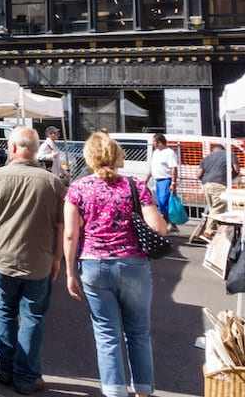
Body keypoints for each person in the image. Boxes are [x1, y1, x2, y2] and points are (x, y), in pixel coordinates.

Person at [64, 131, 165, 397]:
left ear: (89, 157)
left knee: (107, 334)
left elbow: (71, 234)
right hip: (133, 264)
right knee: (138, 332)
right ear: (117, 155)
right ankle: (143, 390)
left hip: (94, 264)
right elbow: (159, 229)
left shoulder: (78, 188)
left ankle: (114, 392)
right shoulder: (135, 186)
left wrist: (70, 272)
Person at [0, 126, 67, 395]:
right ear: (35, 150)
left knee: (5, 310)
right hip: (39, 260)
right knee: (32, 317)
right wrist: (58, 258)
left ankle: (4, 368)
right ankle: (26, 376)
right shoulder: (52, 182)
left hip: (4, 257)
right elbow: (63, 226)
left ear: (13, 148)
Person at [196, 144, 239, 243]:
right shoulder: (230, 154)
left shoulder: (207, 158)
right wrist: (231, 177)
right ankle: (208, 233)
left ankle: (216, 232)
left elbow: (199, 174)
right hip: (219, 184)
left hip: (206, 184)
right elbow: (236, 169)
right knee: (217, 209)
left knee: (213, 208)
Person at [145, 134, 179, 232]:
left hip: (166, 180)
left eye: (154, 141)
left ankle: (165, 224)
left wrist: (173, 182)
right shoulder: (155, 152)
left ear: (159, 142)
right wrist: (146, 179)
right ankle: (168, 224)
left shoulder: (169, 153)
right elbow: (152, 167)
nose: (153, 144)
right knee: (159, 202)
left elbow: (173, 168)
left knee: (164, 202)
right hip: (158, 181)